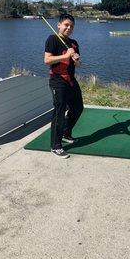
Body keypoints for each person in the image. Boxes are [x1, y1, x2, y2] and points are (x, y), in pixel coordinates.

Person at [44, 13, 83, 158]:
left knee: (78, 107)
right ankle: (55, 146)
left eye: (71, 26)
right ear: (59, 25)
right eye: (66, 25)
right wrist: (65, 56)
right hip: (57, 80)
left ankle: (66, 133)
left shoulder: (74, 43)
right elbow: (47, 60)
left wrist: (77, 59)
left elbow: (78, 65)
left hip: (71, 80)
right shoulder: (53, 39)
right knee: (59, 112)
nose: (69, 28)